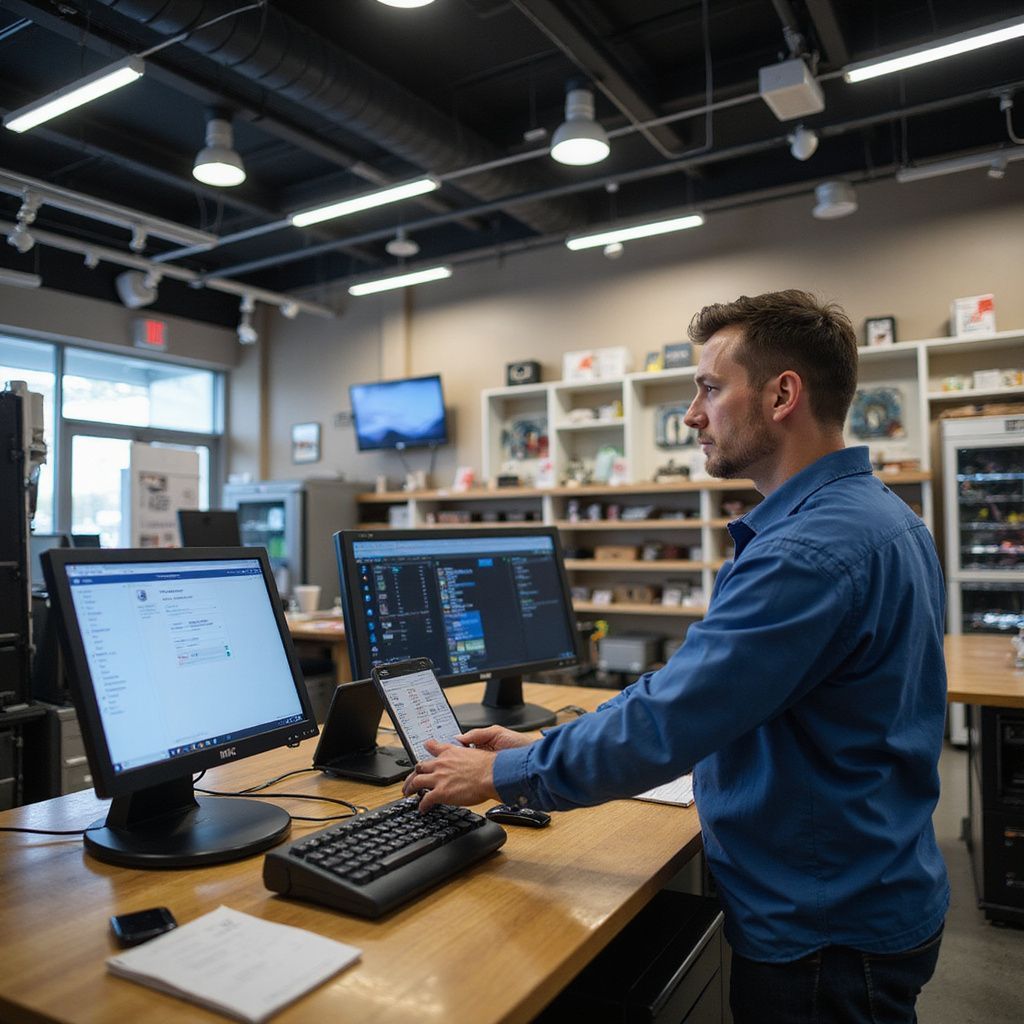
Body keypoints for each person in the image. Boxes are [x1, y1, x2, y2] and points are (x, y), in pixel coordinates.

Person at [404, 290, 949, 1023]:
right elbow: (695, 684)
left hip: (824, 924)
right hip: (868, 878)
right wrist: (546, 746)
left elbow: (673, 722)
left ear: (783, 393)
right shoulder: (880, 515)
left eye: (710, 387)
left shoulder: (807, 553)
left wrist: (503, 774)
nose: (693, 414)